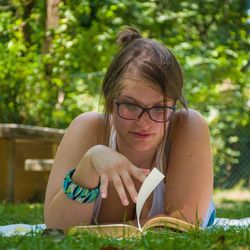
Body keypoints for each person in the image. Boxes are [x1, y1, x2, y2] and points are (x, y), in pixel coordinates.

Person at [44, 27, 215, 232]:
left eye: (160, 108)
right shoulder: (87, 129)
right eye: (131, 105)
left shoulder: (187, 126)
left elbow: (182, 224)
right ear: (110, 101)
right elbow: (56, 229)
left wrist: (94, 230)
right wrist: (88, 166)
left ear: (174, 104)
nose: (144, 123)